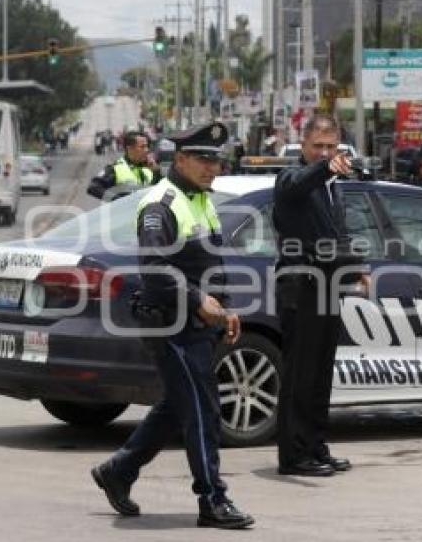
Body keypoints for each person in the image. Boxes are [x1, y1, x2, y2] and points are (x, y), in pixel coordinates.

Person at [91, 121, 254, 530]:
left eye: (216, 159)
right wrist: (199, 300)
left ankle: (118, 471)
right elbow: (155, 267)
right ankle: (213, 500)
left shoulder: (200, 199)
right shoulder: (161, 204)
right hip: (173, 327)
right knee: (202, 411)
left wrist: (226, 310)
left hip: (199, 328)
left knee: (176, 408)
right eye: (203, 158)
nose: (212, 167)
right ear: (180, 159)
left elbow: (210, 266)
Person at [273, 114, 370, 477]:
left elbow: (336, 231)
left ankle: (315, 447)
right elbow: (298, 183)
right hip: (300, 285)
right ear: (304, 145)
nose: (325, 153)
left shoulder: (333, 186)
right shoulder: (291, 178)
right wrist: (326, 167)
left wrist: (357, 265)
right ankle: (294, 456)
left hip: (329, 284)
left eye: (332, 147)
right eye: (318, 146)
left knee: (320, 375)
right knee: (300, 375)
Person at [87, 131, 161, 200]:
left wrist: (157, 172)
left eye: (147, 146)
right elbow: (93, 187)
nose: (146, 150)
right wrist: (118, 199)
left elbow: (158, 190)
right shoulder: (116, 168)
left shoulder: (151, 166)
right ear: (130, 149)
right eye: (142, 147)